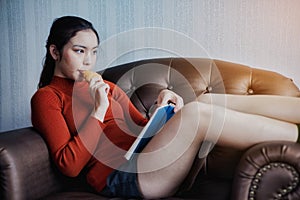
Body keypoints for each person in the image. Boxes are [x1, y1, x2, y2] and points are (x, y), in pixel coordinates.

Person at [31, 16, 300, 199]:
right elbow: (68, 166)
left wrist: (161, 113)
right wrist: (98, 112)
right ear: (55, 52)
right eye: (79, 51)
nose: (89, 61)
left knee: (203, 102)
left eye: (94, 51)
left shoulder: (108, 87)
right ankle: (295, 135)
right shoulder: (48, 97)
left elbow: (141, 132)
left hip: (149, 161)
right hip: (123, 178)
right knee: (197, 114)